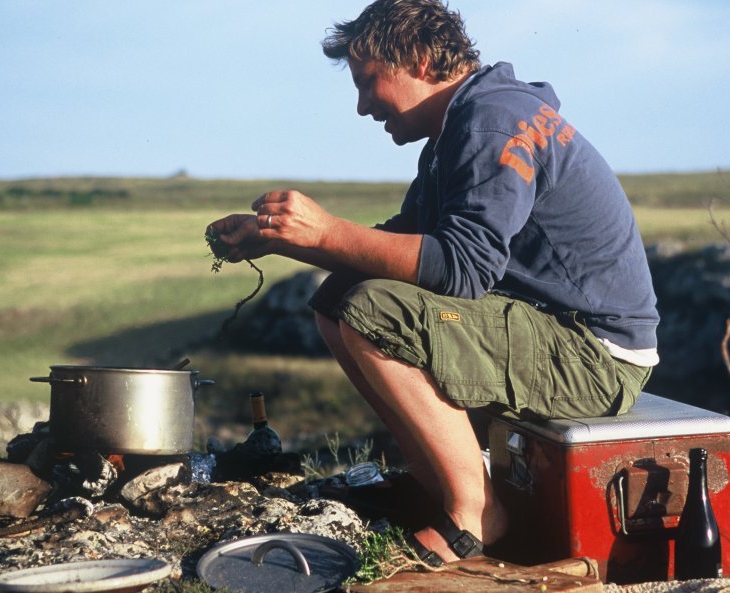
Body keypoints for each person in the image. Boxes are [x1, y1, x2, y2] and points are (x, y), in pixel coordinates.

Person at [206, 0, 659, 565]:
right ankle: (431, 483)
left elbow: (463, 268)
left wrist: (324, 233)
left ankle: (476, 512)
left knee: (372, 309)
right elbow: (408, 239)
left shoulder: (492, 123)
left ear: (419, 59)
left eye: (369, 83)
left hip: (595, 356)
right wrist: (283, 238)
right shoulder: (463, 126)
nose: (362, 106)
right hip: (559, 335)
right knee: (335, 298)